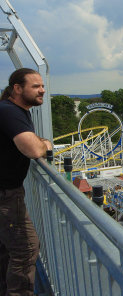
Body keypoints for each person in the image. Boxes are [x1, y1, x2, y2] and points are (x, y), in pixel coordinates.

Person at [0, 68, 52, 296]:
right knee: (26, 248)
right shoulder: (10, 112)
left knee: (6, 249)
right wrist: (47, 145)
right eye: (35, 86)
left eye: (42, 85)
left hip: (7, 192)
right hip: (6, 195)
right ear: (17, 89)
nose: (42, 90)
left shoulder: (12, 110)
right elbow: (32, 148)